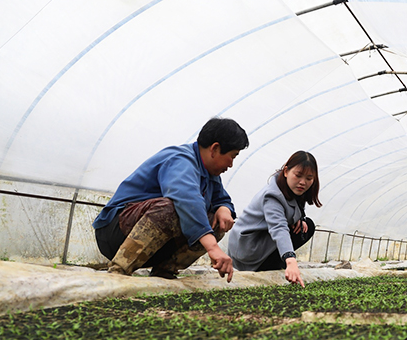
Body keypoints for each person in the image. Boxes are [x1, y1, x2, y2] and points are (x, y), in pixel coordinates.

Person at [92, 117, 248, 282]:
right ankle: (119, 271)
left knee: (216, 222)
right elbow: (187, 200)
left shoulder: (210, 174)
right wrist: (213, 248)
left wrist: (224, 208)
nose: (231, 164)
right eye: (232, 156)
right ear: (215, 148)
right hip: (115, 232)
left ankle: (164, 271)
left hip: (154, 244)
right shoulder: (180, 160)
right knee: (171, 208)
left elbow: (221, 198)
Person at [227, 151, 321, 287]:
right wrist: (290, 260)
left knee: (307, 226)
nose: (303, 182)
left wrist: (299, 219)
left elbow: (293, 211)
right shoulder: (272, 195)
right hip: (248, 247)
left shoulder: (295, 191)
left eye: (309, 178)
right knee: (293, 231)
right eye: (298, 175)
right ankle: (270, 265)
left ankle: (274, 264)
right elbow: (278, 227)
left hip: (262, 240)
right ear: (286, 171)